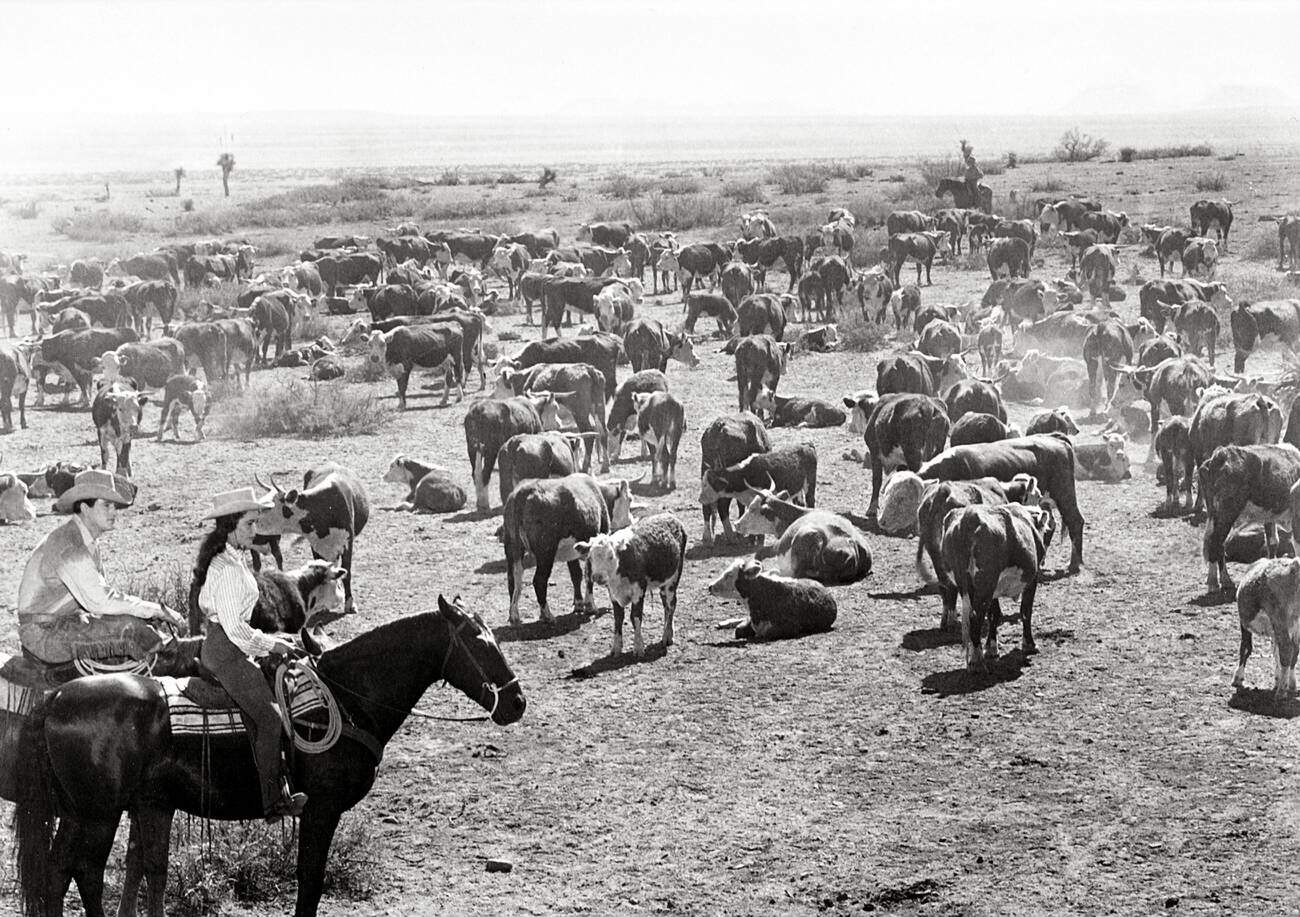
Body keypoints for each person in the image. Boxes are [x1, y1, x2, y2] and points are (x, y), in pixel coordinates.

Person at [193, 486, 308, 821]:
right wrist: (272, 644)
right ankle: (272, 802)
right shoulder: (227, 568)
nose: (255, 531)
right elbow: (236, 630)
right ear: (231, 526)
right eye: (249, 524)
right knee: (271, 720)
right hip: (225, 650)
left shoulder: (232, 558)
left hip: (229, 646)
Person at [17, 468, 188, 671]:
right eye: (106, 505)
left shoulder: (85, 540)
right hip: (43, 634)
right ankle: (178, 663)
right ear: (85, 508)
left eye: (114, 506)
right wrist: (153, 609)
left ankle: (172, 660)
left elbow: (101, 599)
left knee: (132, 623)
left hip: (63, 624)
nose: (114, 512)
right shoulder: (69, 544)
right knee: (131, 631)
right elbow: (100, 601)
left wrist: (145, 612)